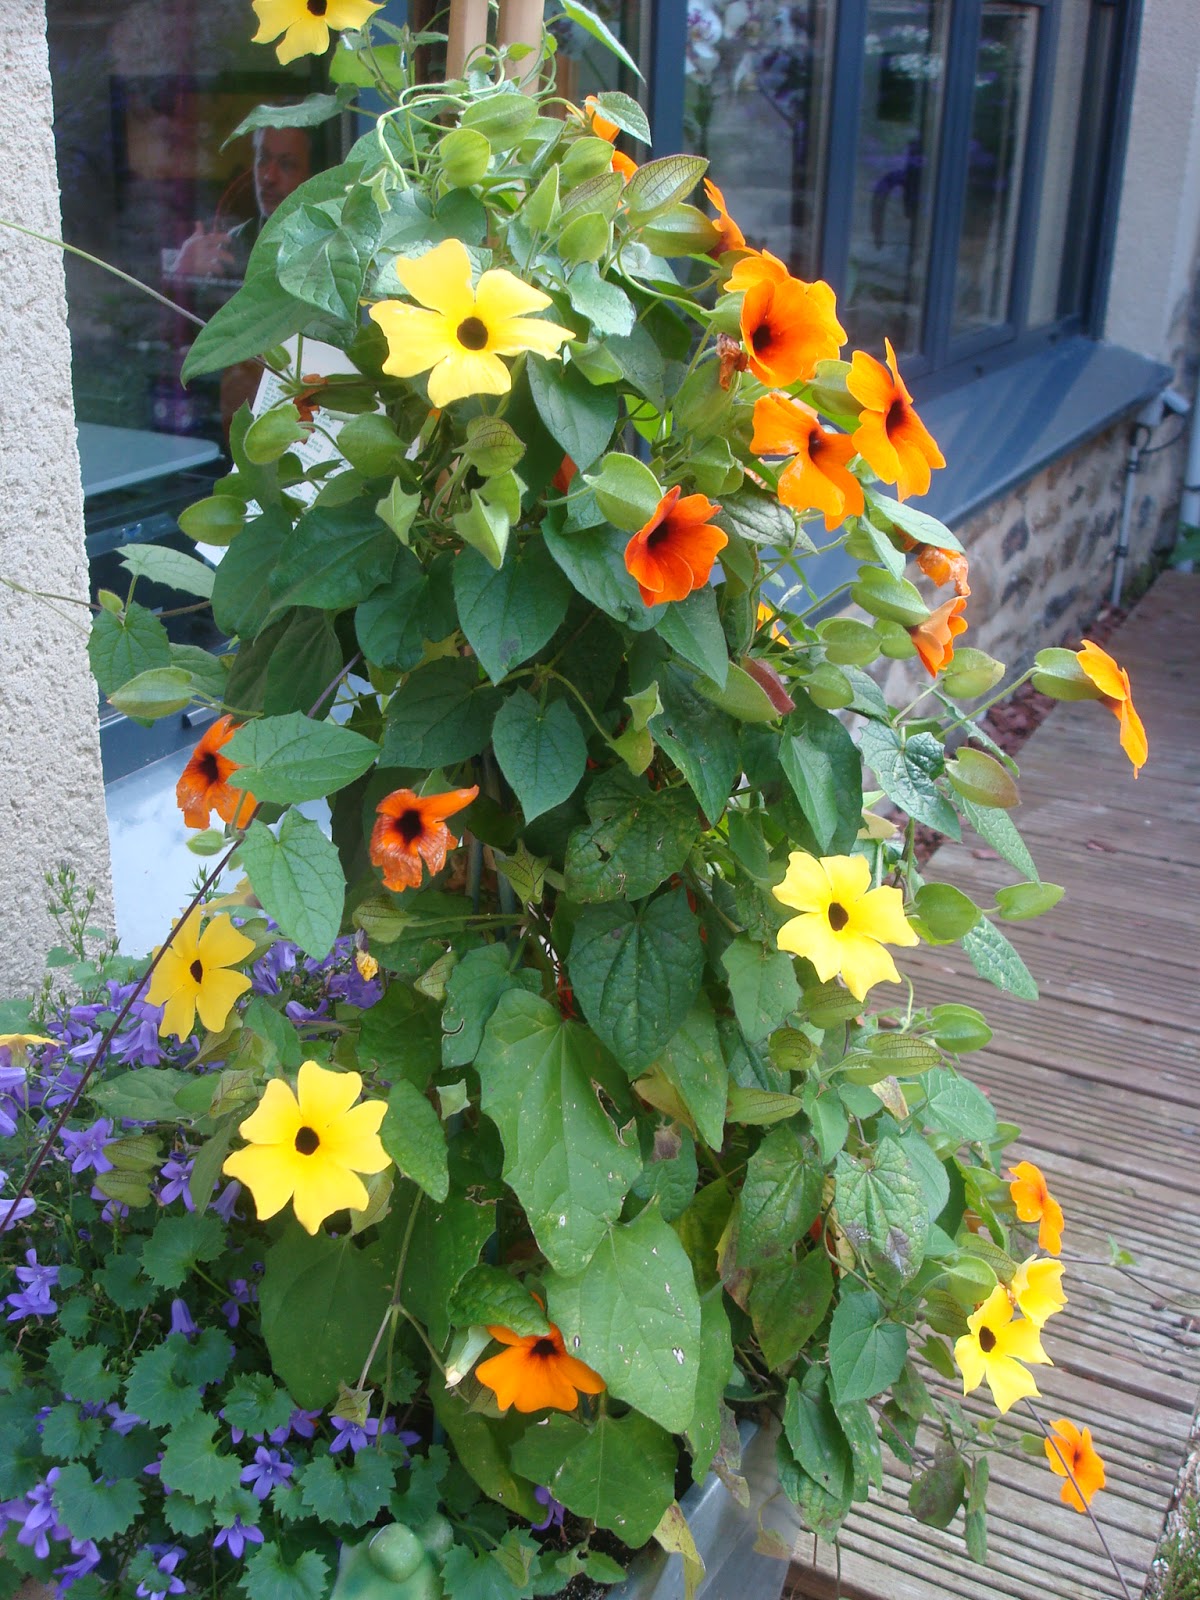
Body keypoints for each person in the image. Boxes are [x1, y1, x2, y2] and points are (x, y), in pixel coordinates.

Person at [169, 126, 313, 283]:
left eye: (286, 165)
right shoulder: (231, 246)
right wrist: (181, 274)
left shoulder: (332, 248)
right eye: (262, 159)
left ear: (314, 175)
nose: (268, 177)